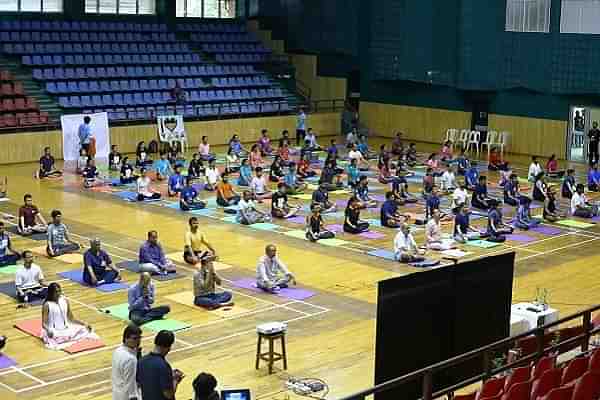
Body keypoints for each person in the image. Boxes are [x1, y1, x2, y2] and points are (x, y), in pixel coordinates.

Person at [42, 282, 96, 349]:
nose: (58, 293)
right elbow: (44, 323)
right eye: (56, 292)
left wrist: (84, 323)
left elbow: (71, 318)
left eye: (59, 291)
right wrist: (48, 330)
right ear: (51, 292)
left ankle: (66, 338)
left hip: (66, 328)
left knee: (84, 329)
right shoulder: (47, 304)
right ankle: (65, 338)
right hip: (54, 331)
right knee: (53, 337)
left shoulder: (65, 300)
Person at [137, 331, 184, 400]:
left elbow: (139, 384)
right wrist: (175, 380)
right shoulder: (163, 366)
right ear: (168, 347)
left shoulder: (141, 361)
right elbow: (168, 394)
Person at [112, 324, 142, 400]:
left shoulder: (117, 350)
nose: (138, 341)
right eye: (135, 338)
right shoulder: (130, 359)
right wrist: (133, 397)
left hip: (117, 393)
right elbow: (130, 384)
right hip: (126, 396)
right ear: (126, 338)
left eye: (139, 337)